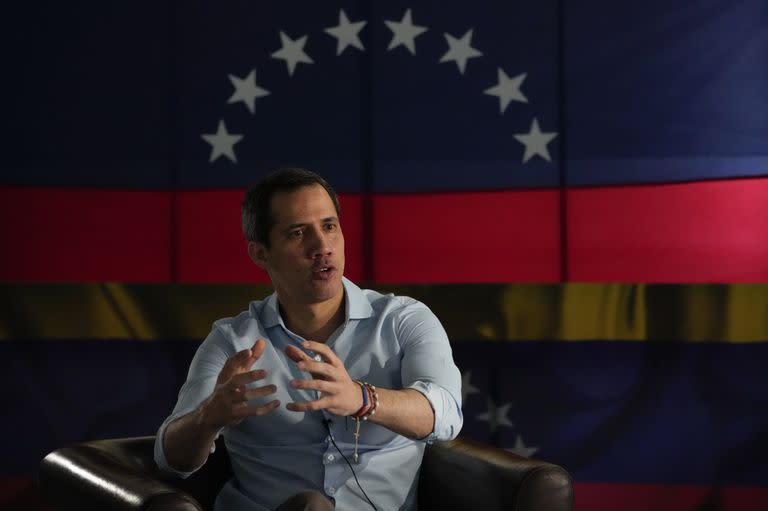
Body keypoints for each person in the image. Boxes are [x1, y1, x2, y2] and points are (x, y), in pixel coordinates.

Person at [154, 168, 463, 510]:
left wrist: (363, 399)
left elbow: (446, 413)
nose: (322, 246)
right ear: (260, 254)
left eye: (329, 226)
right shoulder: (233, 341)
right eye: (299, 233)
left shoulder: (402, 320)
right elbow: (171, 461)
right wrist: (208, 418)